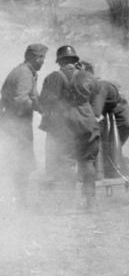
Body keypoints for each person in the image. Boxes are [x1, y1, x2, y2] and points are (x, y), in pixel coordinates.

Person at [39, 45, 100, 208]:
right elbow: (97, 96)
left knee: (67, 162)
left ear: (59, 61)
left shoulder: (53, 77)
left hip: (65, 125)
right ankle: (91, 201)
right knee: (87, 162)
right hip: (87, 122)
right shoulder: (88, 76)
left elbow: (44, 101)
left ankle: (68, 202)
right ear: (75, 60)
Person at [0, 43, 48, 206]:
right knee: (21, 162)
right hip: (18, 125)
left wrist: (41, 108)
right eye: (42, 58)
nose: (43, 62)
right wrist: (37, 106)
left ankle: (16, 199)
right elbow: (21, 99)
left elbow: (29, 96)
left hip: (12, 123)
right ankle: (20, 201)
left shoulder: (22, 71)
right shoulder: (25, 74)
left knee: (16, 161)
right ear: (36, 58)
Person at [80, 61, 129, 177]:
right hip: (115, 119)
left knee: (101, 147)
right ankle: (116, 170)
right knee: (106, 151)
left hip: (121, 120)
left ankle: (113, 172)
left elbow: (95, 114)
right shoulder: (95, 86)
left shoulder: (99, 87)